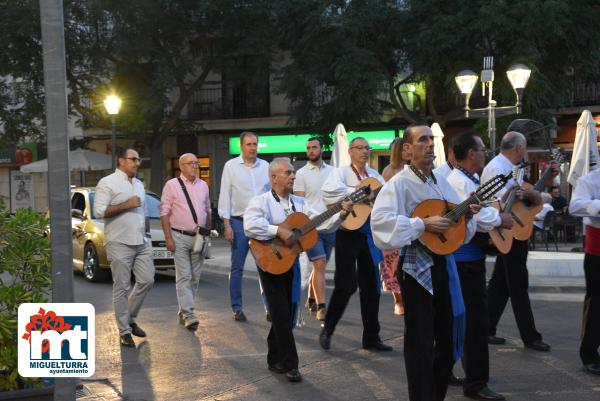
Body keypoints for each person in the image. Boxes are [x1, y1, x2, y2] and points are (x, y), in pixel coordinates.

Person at [371, 124, 479, 401]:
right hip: (416, 268)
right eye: (423, 140)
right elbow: (380, 226)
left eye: (431, 140)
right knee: (420, 343)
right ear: (407, 150)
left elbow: (455, 226)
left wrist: (466, 215)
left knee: (445, 338)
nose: (430, 144)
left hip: (442, 264)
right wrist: (421, 224)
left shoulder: (440, 181)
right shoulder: (398, 184)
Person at [244, 157, 351, 382]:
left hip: (291, 262)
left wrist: (340, 213)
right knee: (280, 312)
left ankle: (274, 357)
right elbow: (250, 225)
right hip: (269, 261)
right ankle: (292, 364)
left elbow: (321, 225)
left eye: (293, 173)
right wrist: (278, 231)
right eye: (288, 173)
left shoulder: (300, 205)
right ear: (274, 177)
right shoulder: (261, 201)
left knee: (288, 312)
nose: (293, 176)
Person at [446, 131, 510, 401]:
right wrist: (499, 218)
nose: (486, 153)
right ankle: (476, 383)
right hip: (464, 262)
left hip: (468, 261)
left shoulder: (465, 179)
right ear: (471, 153)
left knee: (461, 321)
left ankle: (449, 371)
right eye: (482, 149)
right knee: (474, 322)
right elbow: (480, 217)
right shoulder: (457, 181)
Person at [319, 137, 392, 352]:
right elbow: (329, 191)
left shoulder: (375, 176)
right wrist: (358, 193)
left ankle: (371, 337)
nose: (364, 152)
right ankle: (328, 329)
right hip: (348, 233)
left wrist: (373, 197)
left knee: (372, 287)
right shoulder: (340, 173)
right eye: (360, 148)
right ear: (350, 151)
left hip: (369, 235)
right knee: (346, 285)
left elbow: (386, 195)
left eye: (367, 148)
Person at [481, 131, 551, 352]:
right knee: (518, 284)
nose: (526, 151)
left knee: (501, 285)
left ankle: (487, 328)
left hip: (513, 230)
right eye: (525, 147)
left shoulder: (507, 168)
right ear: (519, 148)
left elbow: (520, 199)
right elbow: (502, 203)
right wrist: (527, 196)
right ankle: (530, 336)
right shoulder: (496, 168)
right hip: (508, 230)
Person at [94, 148, 154, 347]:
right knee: (122, 287)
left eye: (138, 159)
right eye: (133, 159)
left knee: (147, 280)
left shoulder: (138, 184)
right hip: (119, 242)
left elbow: (143, 212)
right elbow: (100, 210)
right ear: (121, 161)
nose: (137, 163)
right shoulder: (107, 182)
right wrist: (126, 205)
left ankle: (129, 317)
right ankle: (124, 331)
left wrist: (147, 235)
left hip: (141, 240)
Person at [218, 131, 271, 322]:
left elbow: (271, 196)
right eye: (249, 144)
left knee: (265, 267)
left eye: (255, 144)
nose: (253, 148)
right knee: (237, 268)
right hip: (239, 223)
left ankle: (269, 308)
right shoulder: (230, 167)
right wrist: (227, 225)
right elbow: (225, 196)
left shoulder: (265, 166)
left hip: (262, 224)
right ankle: (237, 308)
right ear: (241, 146)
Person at [160, 153, 211, 331]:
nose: (195, 166)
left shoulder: (203, 185)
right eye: (191, 164)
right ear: (181, 167)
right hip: (179, 236)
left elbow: (207, 210)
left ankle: (184, 311)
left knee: (195, 277)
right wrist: (168, 238)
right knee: (184, 276)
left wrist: (208, 235)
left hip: (199, 237)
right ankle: (189, 314)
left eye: (196, 163)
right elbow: (164, 213)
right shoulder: (171, 186)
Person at [293, 137, 335, 321]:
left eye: (314, 147)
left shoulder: (334, 172)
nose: (311, 150)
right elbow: (299, 203)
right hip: (311, 228)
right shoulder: (301, 174)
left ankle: (311, 297)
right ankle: (322, 307)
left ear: (321, 149)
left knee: (320, 265)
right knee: (319, 264)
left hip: (331, 225)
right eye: (308, 148)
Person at [568, 167, 600, 376]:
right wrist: (597, 205)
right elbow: (575, 206)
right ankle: (589, 354)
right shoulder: (590, 180)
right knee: (596, 302)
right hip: (597, 249)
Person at [381, 137, 410, 316]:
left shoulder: (414, 169)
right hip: (393, 222)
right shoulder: (388, 171)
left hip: (410, 221)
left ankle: (407, 299)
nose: (409, 151)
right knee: (392, 266)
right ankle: (398, 300)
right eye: (406, 149)